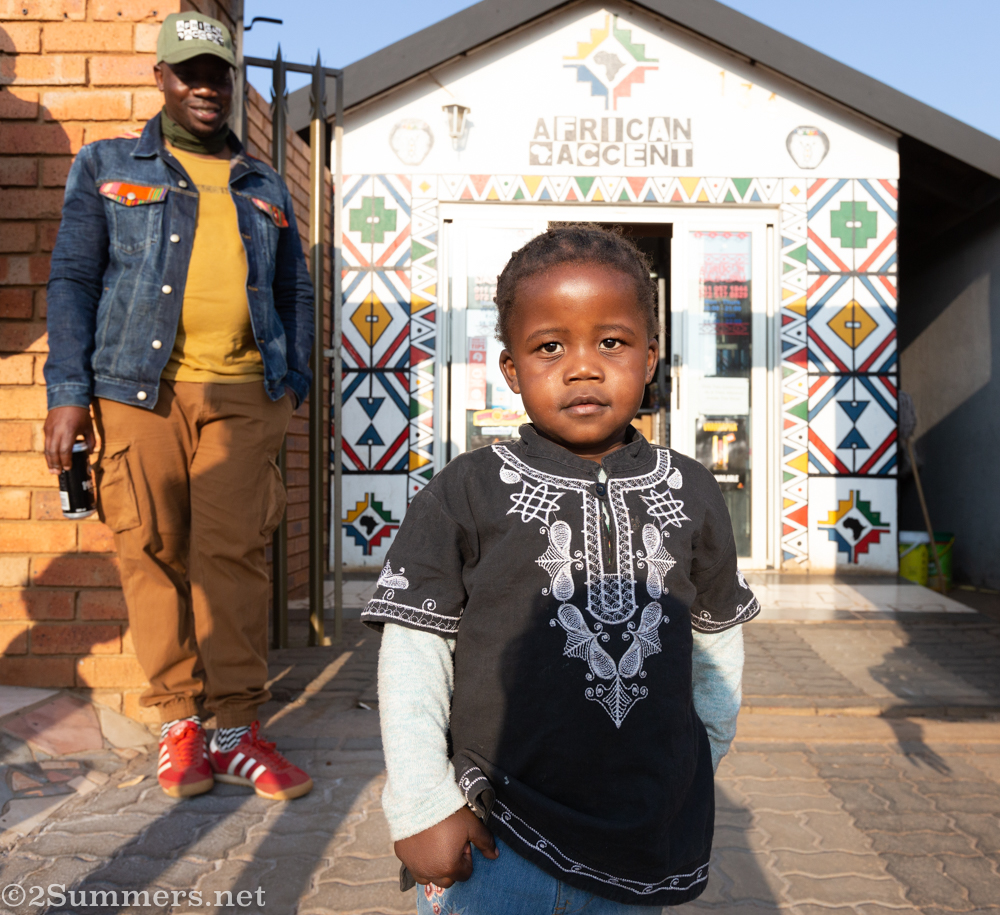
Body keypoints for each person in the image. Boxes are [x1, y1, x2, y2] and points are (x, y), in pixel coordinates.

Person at [361, 225, 759, 913]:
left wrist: (699, 757)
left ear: (650, 357)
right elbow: (415, 648)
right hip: (494, 834)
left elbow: (716, 640)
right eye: (550, 346)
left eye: (611, 341)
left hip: (639, 841)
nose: (582, 366)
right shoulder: (467, 488)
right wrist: (424, 804)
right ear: (511, 368)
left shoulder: (694, 489)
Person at [43, 12, 314, 801]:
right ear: (159, 76)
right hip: (136, 391)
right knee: (151, 549)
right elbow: (72, 279)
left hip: (243, 393)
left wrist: (291, 381)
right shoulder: (105, 164)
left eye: (219, 73)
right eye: (190, 71)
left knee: (233, 557)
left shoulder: (263, 181)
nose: (206, 86)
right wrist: (68, 395)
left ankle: (236, 729)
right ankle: (179, 721)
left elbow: (294, 285)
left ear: (233, 83)